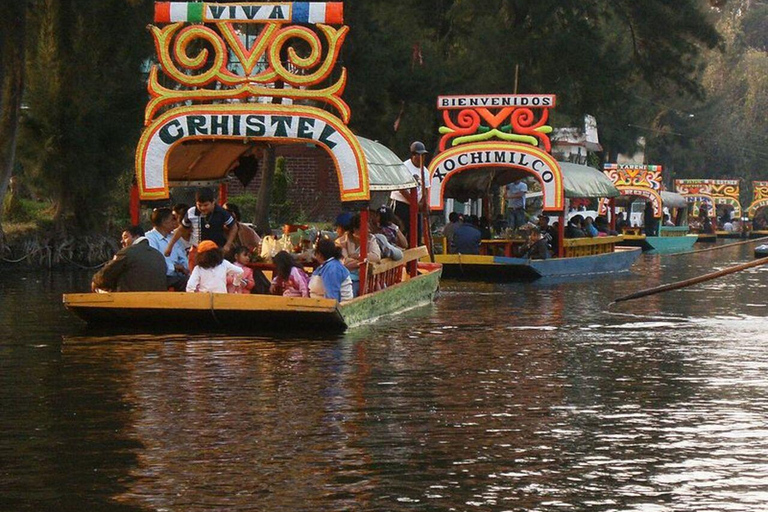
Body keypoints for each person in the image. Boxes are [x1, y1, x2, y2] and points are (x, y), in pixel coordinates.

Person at [166, 188, 237, 270]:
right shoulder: (191, 212)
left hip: (215, 251)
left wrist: (228, 245)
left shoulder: (222, 212)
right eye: (199, 205)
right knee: (195, 276)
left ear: (213, 202)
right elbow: (181, 229)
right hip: (197, 250)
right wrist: (170, 246)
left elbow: (233, 227)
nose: (202, 208)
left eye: (206, 205)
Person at [91, 225, 168, 292]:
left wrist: (95, 282)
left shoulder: (127, 252)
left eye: (125, 237)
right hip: (156, 302)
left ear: (137, 237)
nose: (122, 241)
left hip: (129, 302)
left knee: (97, 286)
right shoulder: (158, 255)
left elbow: (104, 276)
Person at [390, 141, 429, 241]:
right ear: (413, 155)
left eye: (422, 155)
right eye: (418, 155)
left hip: (417, 207)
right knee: (401, 231)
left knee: (416, 234)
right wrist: (414, 203)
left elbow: (425, 189)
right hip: (402, 204)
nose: (420, 158)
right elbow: (402, 189)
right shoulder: (404, 167)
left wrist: (422, 203)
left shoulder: (425, 171)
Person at [336, 213, 382, 296]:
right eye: (365, 228)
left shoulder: (371, 239)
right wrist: (363, 262)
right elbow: (344, 262)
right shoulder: (341, 241)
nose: (369, 231)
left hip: (366, 278)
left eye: (369, 228)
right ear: (355, 230)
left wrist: (358, 256)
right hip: (348, 278)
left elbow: (376, 256)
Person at [145, 208, 189, 291]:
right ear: (164, 222)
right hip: (160, 275)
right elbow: (155, 261)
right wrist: (174, 267)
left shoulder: (173, 237)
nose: (175, 223)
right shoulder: (149, 238)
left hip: (178, 275)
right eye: (173, 219)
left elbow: (183, 256)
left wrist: (185, 268)